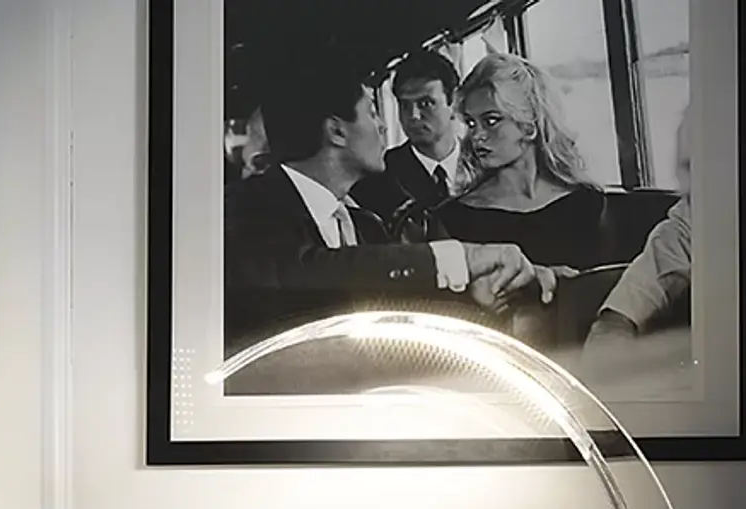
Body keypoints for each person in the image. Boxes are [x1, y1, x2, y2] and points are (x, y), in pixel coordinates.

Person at [223, 55, 555, 355]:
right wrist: (462, 257)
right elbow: (300, 272)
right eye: (372, 112)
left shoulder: (365, 225)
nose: (383, 126)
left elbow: (398, 304)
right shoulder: (240, 209)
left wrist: (482, 289)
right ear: (337, 131)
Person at [438, 53, 611, 273]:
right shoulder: (454, 218)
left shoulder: (586, 202)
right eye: (471, 123)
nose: (477, 135)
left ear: (529, 126)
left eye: (491, 121)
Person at [586, 105, 692, 340]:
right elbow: (618, 317)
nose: (687, 187)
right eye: (686, 169)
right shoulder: (688, 221)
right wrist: (614, 326)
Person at [350, 49, 462, 236]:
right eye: (404, 105)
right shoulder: (377, 180)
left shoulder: (487, 167)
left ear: (455, 102)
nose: (413, 116)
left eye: (426, 103)